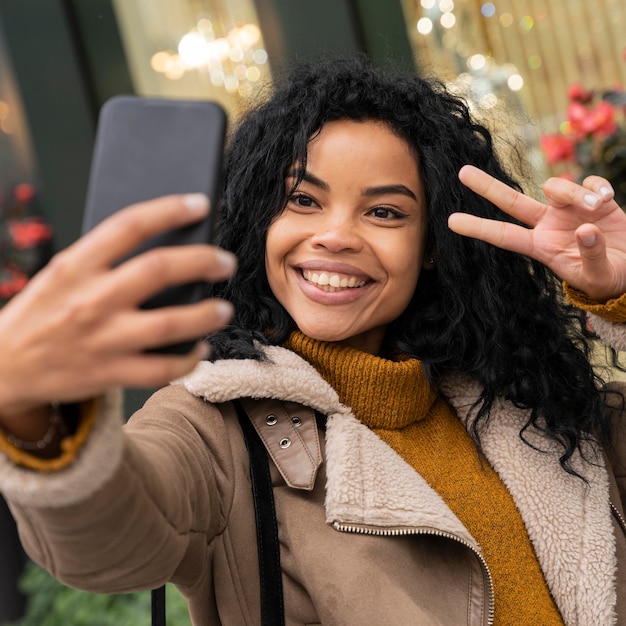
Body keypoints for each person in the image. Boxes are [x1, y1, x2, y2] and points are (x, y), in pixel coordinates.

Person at [0, 55, 625, 626]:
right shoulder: (213, 425)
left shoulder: (535, 407)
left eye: (384, 212)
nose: (335, 235)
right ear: (258, 219)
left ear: (433, 245)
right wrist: (32, 412)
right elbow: (111, 545)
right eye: (302, 200)